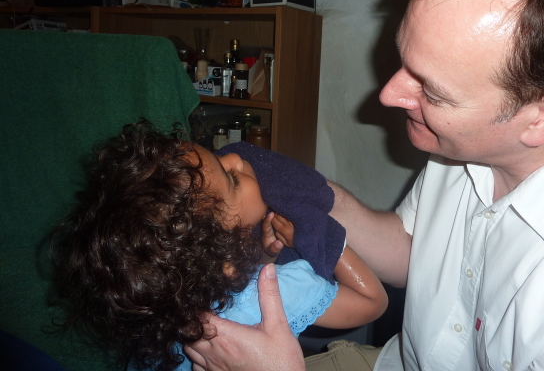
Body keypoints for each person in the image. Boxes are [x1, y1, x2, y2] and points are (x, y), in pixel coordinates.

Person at [184, 0, 544, 371]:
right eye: (404, 59)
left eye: (433, 91)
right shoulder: (465, 141)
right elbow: (411, 252)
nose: (388, 95)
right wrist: (306, 194)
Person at [53, 122, 387, 371]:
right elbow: (372, 302)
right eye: (233, 180)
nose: (235, 159)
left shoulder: (158, 312)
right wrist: (321, 236)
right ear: (226, 258)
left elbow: (231, 277)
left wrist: (264, 256)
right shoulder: (280, 292)